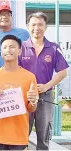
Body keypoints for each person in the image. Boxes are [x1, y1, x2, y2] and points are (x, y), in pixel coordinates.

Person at [19, 12, 69, 150]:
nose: (37, 28)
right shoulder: (20, 48)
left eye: (40, 24)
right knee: (21, 135)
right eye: (33, 24)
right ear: (28, 26)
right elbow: (15, 71)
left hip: (45, 97)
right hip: (24, 97)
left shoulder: (53, 48)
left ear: (46, 27)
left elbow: (63, 72)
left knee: (44, 135)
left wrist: (47, 86)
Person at [0, 35, 38, 150]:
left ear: (19, 51)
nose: (8, 50)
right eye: (4, 47)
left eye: (12, 47)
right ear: (1, 51)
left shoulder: (29, 77)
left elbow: (31, 109)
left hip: (19, 136)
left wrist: (33, 101)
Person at [0, 3, 29, 68]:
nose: (4, 17)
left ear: (11, 17)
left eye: (7, 14)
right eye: (1, 15)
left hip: (20, 74)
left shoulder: (24, 34)